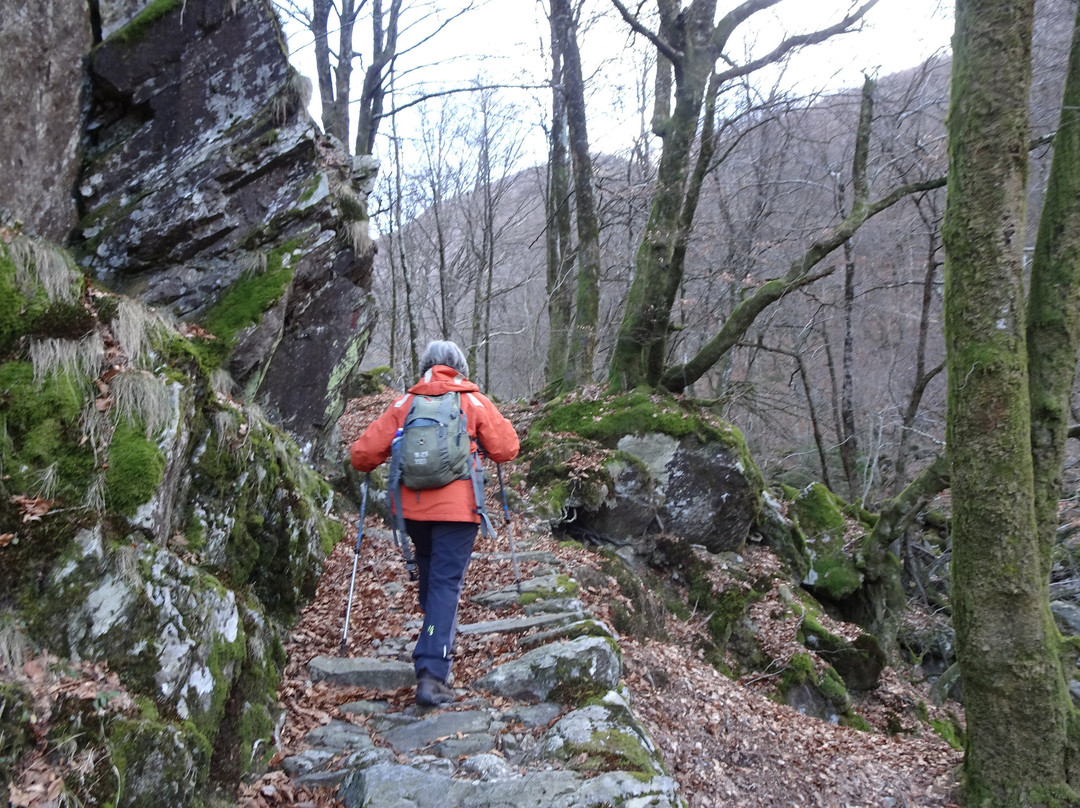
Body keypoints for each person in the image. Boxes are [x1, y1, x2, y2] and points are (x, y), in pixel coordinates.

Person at [349, 340, 519, 705]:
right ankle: (431, 672)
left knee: (431, 575)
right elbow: (507, 447)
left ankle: (436, 634)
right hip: (459, 512)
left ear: (425, 366)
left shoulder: (406, 402)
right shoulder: (471, 400)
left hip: (413, 510)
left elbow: (361, 454)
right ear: (460, 367)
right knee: (445, 584)